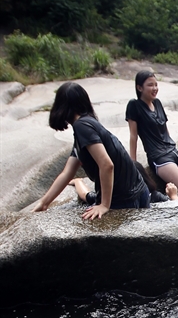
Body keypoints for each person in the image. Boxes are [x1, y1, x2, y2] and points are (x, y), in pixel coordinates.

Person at [33, 82, 150, 220]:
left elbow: (107, 165)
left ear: (61, 106)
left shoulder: (82, 126)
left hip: (125, 199)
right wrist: (44, 203)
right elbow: (66, 173)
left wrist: (104, 205)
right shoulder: (87, 125)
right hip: (139, 191)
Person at [126, 70, 178, 193]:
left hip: (173, 152)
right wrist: (133, 164)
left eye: (156, 84)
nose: (155, 88)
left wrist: (173, 148)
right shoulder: (134, 105)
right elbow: (133, 136)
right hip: (159, 158)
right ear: (139, 88)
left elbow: (165, 131)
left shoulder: (158, 103)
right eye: (150, 85)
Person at [68, 161, 178, 205]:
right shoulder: (114, 199)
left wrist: (173, 196)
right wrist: (77, 181)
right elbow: (86, 195)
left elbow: (86, 195)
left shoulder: (154, 196)